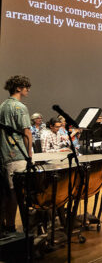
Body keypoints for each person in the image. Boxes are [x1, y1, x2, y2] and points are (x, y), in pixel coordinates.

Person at [0, 75, 33, 234]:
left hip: (5, 156)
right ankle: (24, 228)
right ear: (18, 88)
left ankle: (9, 226)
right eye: (26, 87)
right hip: (18, 156)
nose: (28, 90)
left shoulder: (2, 106)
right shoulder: (20, 107)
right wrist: (30, 156)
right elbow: (26, 133)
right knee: (19, 195)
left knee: (8, 193)